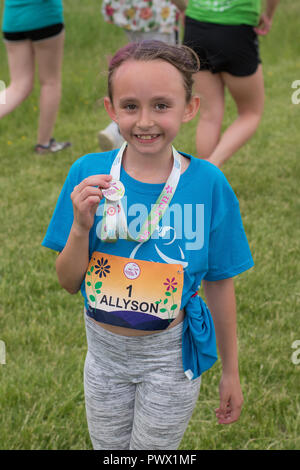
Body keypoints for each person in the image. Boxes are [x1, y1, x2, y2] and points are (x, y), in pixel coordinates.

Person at [42, 40, 254, 450]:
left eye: (161, 105)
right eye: (130, 106)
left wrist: (231, 372)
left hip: (170, 359)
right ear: (111, 109)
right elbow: (69, 282)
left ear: (189, 108)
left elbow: (221, 282)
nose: (144, 121)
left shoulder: (209, 183)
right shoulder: (88, 173)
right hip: (102, 358)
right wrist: (81, 227)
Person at [182, 0, 280, 167]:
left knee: (208, 115)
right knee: (250, 113)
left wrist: (185, 8)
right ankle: (210, 169)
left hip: (196, 26)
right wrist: (268, 15)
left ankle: (205, 182)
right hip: (236, 28)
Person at [98, 0, 187, 151]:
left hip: (130, 11)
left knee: (138, 66)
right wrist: (185, 7)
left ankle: (119, 126)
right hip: (157, 14)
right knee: (161, 78)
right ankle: (117, 130)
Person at [0, 0, 71, 154]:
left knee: (17, 87)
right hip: (45, 17)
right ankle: (44, 144)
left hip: (13, 20)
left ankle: (44, 143)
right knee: (50, 82)